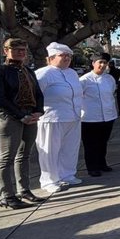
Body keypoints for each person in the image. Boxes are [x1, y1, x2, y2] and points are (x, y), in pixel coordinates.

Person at [0, 38, 45, 209]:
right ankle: (7, 195)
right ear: (5, 51)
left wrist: (38, 110)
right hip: (9, 118)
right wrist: (20, 115)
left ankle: (24, 190)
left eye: (23, 50)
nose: (21, 52)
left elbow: (38, 93)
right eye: (16, 50)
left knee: (24, 155)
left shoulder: (28, 70)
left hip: (29, 116)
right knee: (6, 158)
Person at [35, 42, 84, 192]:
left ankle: (67, 174)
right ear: (51, 58)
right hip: (52, 117)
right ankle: (49, 180)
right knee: (50, 150)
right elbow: (35, 96)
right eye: (63, 55)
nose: (67, 58)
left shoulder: (72, 73)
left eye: (69, 56)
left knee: (70, 148)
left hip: (73, 116)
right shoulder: (43, 73)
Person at [80, 54, 118, 177]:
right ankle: (92, 167)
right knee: (91, 144)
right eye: (100, 62)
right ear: (93, 63)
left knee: (103, 142)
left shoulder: (110, 79)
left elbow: (112, 94)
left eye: (105, 63)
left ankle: (102, 163)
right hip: (90, 117)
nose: (102, 65)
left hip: (107, 116)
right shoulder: (84, 80)